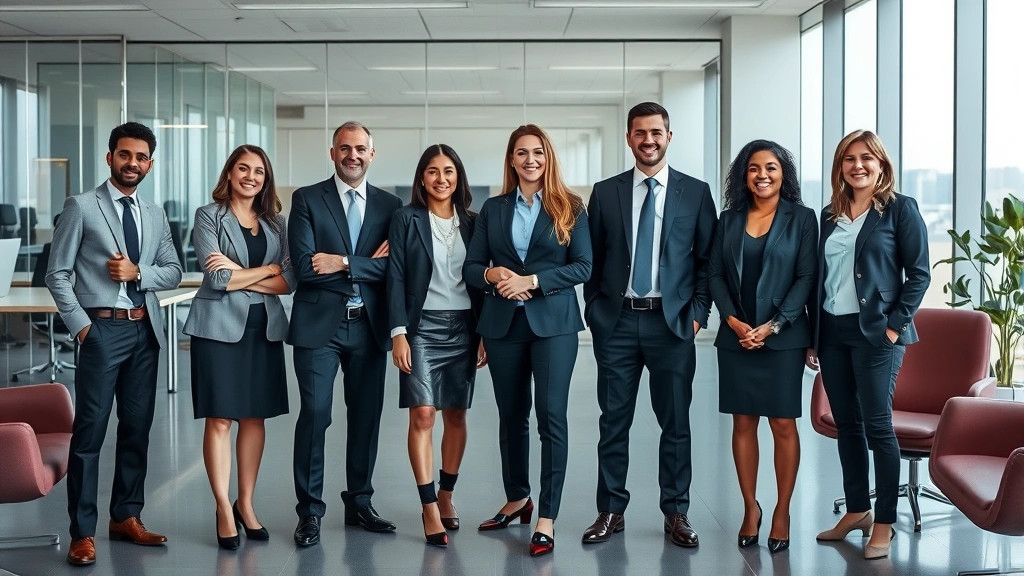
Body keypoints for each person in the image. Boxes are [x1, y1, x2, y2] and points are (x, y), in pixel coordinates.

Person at [46, 122, 183, 566]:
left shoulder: (155, 213)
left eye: (142, 157)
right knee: (89, 433)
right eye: (125, 155)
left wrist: (137, 272)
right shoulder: (81, 206)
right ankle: (82, 532)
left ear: (150, 164)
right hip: (102, 331)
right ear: (110, 158)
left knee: (137, 429)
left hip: (145, 330)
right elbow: (57, 273)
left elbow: (173, 270)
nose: (133, 164)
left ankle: (126, 516)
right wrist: (83, 327)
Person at [581, 102, 717, 548]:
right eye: (640, 133)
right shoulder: (606, 192)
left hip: (672, 324)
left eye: (656, 132)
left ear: (669, 136)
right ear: (629, 138)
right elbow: (593, 259)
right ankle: (611, 510)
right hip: (617, 322)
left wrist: (697, 317)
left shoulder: (695, 193)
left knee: (675, 422)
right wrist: (598, 313)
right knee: (612, 420)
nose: (649, 140)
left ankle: (676, 512)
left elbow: (706, 263)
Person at [464, 124, 592, 557]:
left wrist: (532, 281)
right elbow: (472, 268)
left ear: (547, 157)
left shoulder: (569, 207)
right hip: (502, 327)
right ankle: (518, 496)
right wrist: (493, 275)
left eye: (537, 152)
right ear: (512, 159)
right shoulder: (492, 209)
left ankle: (547, 517)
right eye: (522, 153)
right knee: (511, 417)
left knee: (551, 417)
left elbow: (583, 266)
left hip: (553, 326)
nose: (530, 160)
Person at [810, 130, 930, 560]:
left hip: (877, 334)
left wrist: (894, 329)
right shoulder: (829, 215)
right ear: (839, 167)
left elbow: (919, 274)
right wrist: (813, 337)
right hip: (832, 333)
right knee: (848, 426)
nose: (857, 166)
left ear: (882, 165)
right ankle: (857, 509)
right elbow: (819, 280)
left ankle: (884, 522)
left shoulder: (900, 210)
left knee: (878, 426)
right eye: (848, 159)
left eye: (866, 158)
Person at [288, 121, 402, 547]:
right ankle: (310, 512)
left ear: (372, 154)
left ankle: (359, 503)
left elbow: (397, 268)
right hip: (320, 326)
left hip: (369, 326)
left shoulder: (391, 206)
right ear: (332, 152)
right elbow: (303, 268)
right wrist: (365, 264)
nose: (352, 155)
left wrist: (340, 262)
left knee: (367, 418)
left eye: (361, 149)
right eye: (345, 148)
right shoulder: (306, 199)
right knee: (316, 415)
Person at [708, 140, 817, 554]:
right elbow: (715, 275)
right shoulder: (728, 219)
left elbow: (806, 277)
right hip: (736, 338)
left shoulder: (802, 219)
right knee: (742, 424)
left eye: (770, 167)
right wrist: (735, 322)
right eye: (754, 168)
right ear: (744, 175)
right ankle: (750, 507)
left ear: (783, 173)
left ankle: (782, 510)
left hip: (783, 338)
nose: (762, 175)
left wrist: (772, 326)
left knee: (783, 425)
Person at [184, 144, 295, 550]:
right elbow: (215, 281)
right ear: (229, 173)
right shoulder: (208, 217)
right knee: (220, 420)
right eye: (243, 169)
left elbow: (289, 282)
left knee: (255, 419)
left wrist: (245, 273)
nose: (251, 176)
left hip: (262, 328)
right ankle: (222, 507)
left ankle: (245, 503)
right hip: (216, 329)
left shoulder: (276, 223)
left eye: (259, 172)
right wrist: (268, 270)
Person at [387, 144, 487, 547]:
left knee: (457, 416)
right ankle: (429, 505)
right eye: (432, 171)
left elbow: (481, 280)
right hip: (421, 327)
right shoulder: (405, 219)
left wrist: (484, 335)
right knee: (424, 415)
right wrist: (398, 333)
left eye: (448, 171)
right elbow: (394, 275)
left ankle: (447, 493)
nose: (441, 178)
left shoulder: (475, 223)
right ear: (421, 178)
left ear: (459, 177)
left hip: (465, 327)